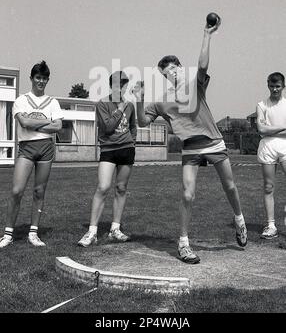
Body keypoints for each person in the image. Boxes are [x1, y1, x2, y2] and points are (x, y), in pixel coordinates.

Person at [133, 20, 247, 264]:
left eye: (174, 68)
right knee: (187, 194)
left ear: (180, 68)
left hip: (214, 142)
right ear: (163, 77)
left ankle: (239, 220)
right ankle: (183, 243)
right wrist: (140, 99)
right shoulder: (162, 101)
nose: (170, 73)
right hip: (190, 149)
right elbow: (142, 122)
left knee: (230, 187)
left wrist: (207, 34)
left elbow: (204, 63)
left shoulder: (195, 84)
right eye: (166, 72)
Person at [0, 61, 63, 248]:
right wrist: (45, 122)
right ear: (31, 78)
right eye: (38, 78)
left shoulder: (53, 102)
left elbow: (58, 126)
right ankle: (8, 234)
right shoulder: (21, 99)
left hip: (46, 148)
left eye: (44, 78)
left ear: (47, 80)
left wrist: (32, 121)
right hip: (26, 148)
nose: (41, 81)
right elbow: (23, 123)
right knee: (17, 190)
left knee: (39, 191)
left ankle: (33, 233)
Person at [78, 71, 137, 247]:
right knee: (103, 187)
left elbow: (133, 127)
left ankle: (115, 229)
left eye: (124, 83)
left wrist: (132, 142)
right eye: (118, 84)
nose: (121, 87)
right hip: (109, 150)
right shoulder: (103, 103)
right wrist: (120, 108)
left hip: (126, 149)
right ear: (112, 85)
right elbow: (109, 127)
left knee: (121, 188)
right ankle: (92, 231)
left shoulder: (131, 106)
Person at [256, 72, 286, 239]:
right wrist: (283, 126)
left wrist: (271, 127)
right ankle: (271, 225)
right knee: (268, 186)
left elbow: (266, 128)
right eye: (272, 86)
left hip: (285, 146)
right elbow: (261, 130)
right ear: (268, 85)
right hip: (267, 146)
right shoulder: (262, 105)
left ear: (283, 86)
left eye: (278, 86)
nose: (275, 89)